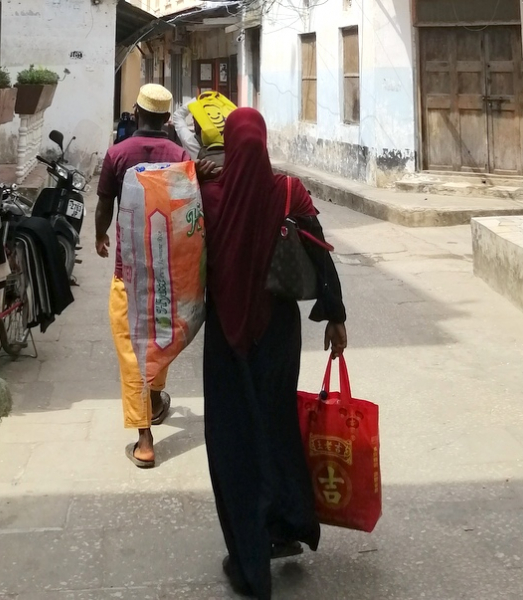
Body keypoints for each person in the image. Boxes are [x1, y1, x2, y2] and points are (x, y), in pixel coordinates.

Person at [200, 108, 348, 599]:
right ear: (262, 144)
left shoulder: (207, 195)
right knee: (278, 425)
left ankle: (249, 562)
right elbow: (320, 251)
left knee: (234, 441)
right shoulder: (287, 190)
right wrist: (336, 316)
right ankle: (287, 525)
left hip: (227, 335)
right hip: (278, 334)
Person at [95, 84, 192, 468]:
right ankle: (153, 399)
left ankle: (145, 438)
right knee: (161, 335)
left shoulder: (117, 154)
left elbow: (105, 204)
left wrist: (100, 234)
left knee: (131, 349)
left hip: (128, 272)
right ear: (168, 119)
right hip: (167, 271)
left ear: (136, 113)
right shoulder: (179, 155)